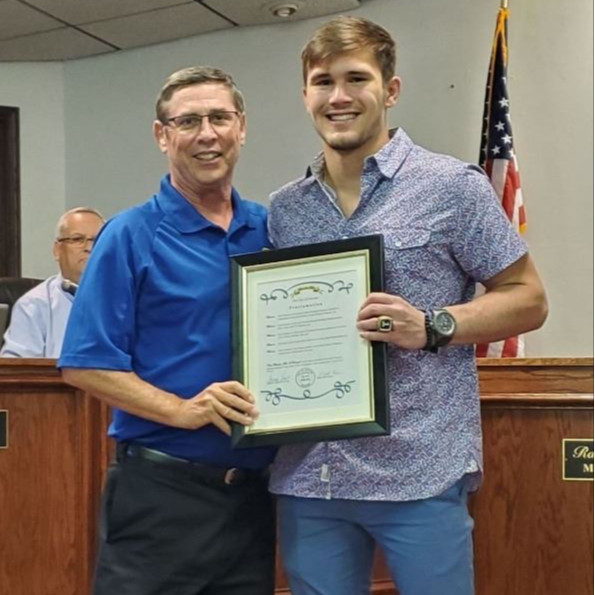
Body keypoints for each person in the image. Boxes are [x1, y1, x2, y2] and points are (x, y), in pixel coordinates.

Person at [268, 16, 548, 595]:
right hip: (311, 474)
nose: (338, 96)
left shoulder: (451, 187)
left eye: (356, 79)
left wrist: (433, 324)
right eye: (322, 82)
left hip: (418, 468)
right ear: (305, 96)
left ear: (390, 91)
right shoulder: (284, 210)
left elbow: (528, 298)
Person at [58, 67, 277, 595]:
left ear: (241, 128)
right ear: (163, 135)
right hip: (161, 496)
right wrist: (182, 411)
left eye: (220, 118)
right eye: (189, 121)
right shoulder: (129, 235)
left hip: (253, 500)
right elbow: (85, 362)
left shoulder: (270, 229)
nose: (207, 133)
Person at [1, 207, 104, 358]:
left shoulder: (127, 300)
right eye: (77, 239)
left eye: (97, 241)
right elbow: (18, 373)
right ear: (57, 250)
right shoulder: (34, 305)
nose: (88, 248)